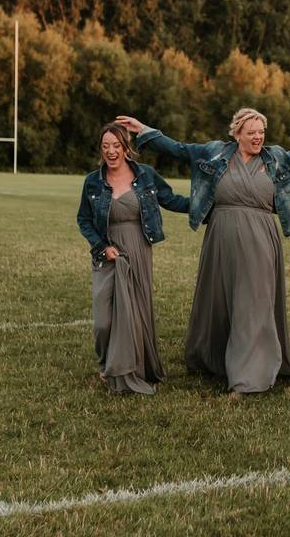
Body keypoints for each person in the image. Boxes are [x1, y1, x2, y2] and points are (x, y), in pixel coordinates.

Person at [115, 111, 290, 395]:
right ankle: (213, 359)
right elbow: (178, 149)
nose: (258, 137)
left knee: (253, 303)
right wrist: (144, 129)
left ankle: (249, 376)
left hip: (260, 238)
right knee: (218, 300)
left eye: (261, 132)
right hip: (220, 236)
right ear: (237, 134)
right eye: (251, 132)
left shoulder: (278, 158)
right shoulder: (214, 153)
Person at [76, 123, 189, 394]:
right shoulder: (93, 180)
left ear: (126, 148)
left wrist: (206, 205)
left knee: (136, 313)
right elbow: (83, 219)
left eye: (116, 146)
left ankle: (133, 368)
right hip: (107, 252)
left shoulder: (146, 176)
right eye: (105, 146)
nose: (111, 152)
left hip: (138, 248)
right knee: (104, 319)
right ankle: (106, 364)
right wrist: (102, 247)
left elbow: (172, 200)